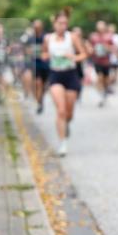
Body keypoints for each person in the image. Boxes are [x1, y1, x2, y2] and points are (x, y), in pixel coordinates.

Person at [42, 9, 87, 156]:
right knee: (60, 110)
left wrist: (73, 57)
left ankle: (67, 123)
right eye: (60, 23)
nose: (63, 26)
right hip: (55, 75)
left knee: (69, 112)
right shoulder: (48, 38)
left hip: (70, 75)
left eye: (65, 23)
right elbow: (43, 54)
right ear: (54, 23)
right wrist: (47, 56)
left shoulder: (72, 37)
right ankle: (62, 144)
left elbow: (84, 54)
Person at [88, 20, 114, 107]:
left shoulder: (109, 37)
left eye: (102, 26)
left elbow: (112, 48)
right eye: (99, 26)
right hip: (97, 61)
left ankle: (105, 91)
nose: (101, 28)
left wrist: (107, 48)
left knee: (106, 79)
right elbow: (89, 47)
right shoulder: (93, 36)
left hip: (106, 62)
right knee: (99, 77)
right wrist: (92, 50)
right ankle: (101, 95)